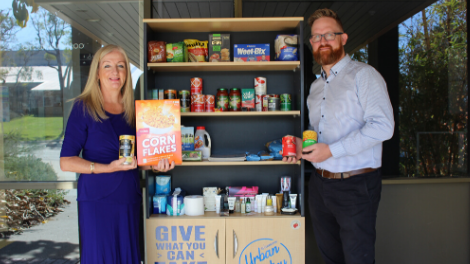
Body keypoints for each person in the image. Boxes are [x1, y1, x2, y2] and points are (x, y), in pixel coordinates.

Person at [283, 8, 394, 264]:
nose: (322, 41)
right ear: (310, 43)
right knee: (330, 258)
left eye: (329, 35)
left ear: (343, 38)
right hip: (320, 186)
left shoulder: (363, 75)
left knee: (358, 259)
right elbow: (319, 135)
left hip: (356, 185)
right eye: (316, 36)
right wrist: (304, 146)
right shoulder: (315, 86)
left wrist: (331, 151)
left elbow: (383, 127)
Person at [60, 44, 174, 263]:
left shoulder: (135, 111)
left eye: (121, 66)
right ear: (98, 73)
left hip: (127, 198)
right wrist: (107, 168)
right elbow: (66, 162)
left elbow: (138, 159)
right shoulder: (83, 107)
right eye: (108, 66)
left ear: (127, 74)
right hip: (96, 201)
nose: (115, 72)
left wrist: (155, 164)